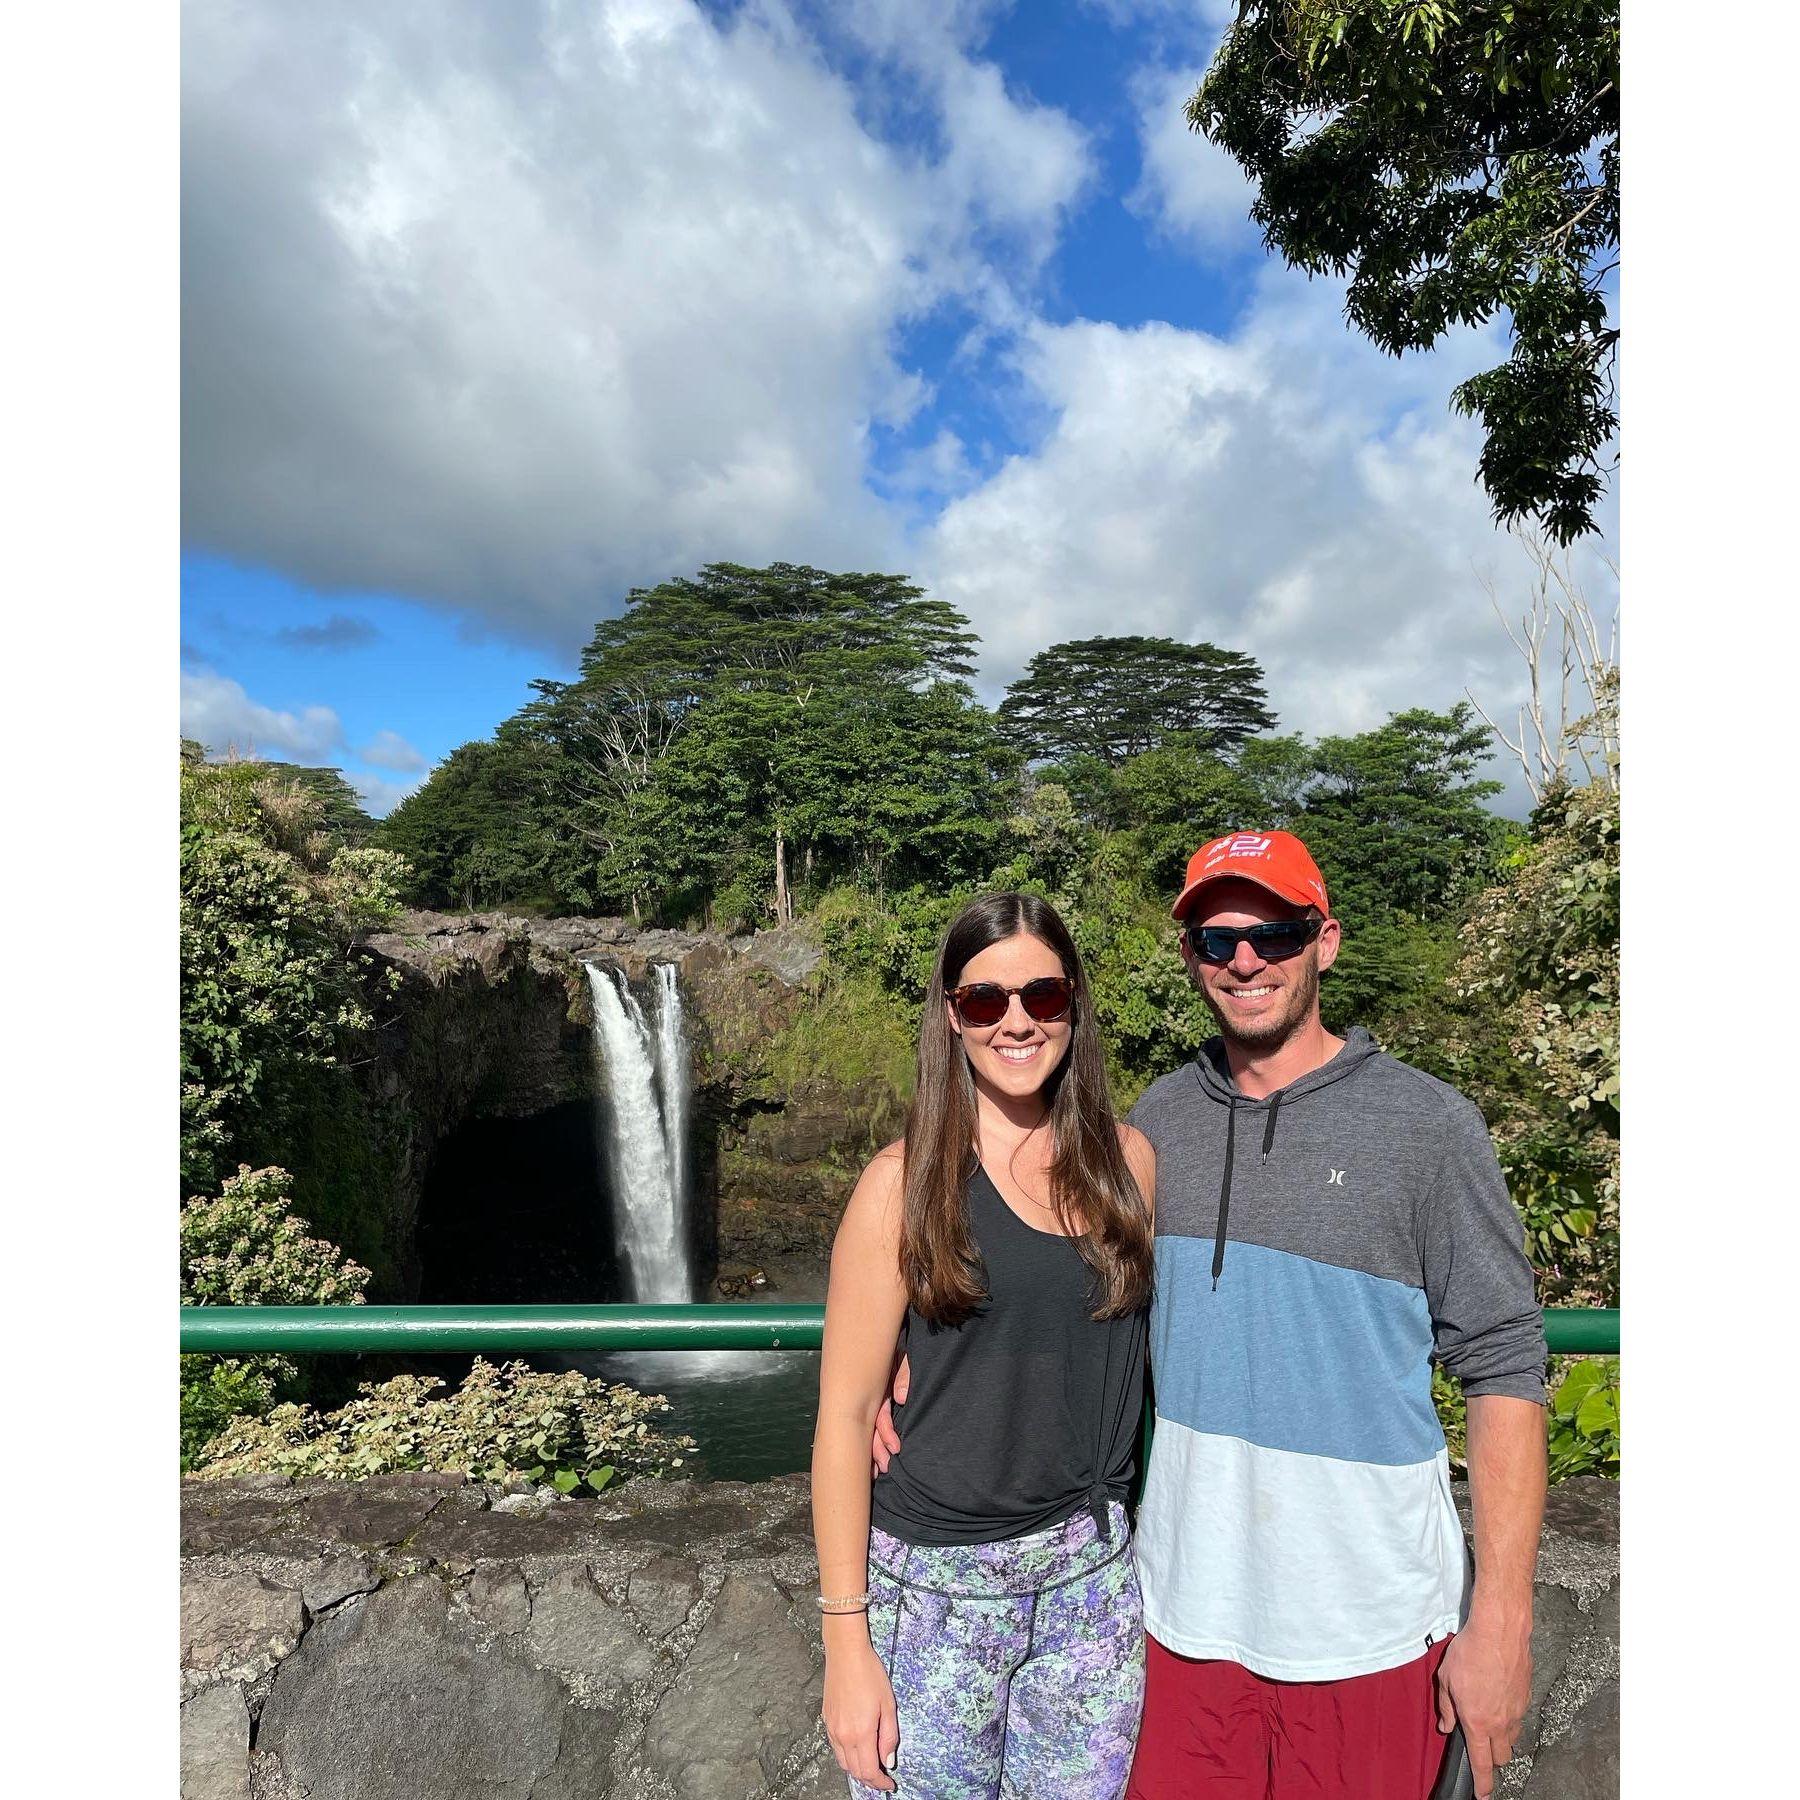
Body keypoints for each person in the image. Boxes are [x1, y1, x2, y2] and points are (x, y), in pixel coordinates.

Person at [878, 831, 1548, 1800]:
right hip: (1182, 1621)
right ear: (1190, 955)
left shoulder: (1428, 1128)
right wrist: (899, 1359)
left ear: (1325, 942)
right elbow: (1051, 1289)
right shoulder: (1153, 1131)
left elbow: (1506, 1367)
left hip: (1371, 1628)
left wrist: (1504, 1625)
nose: (1245, 960)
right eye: (1215, 938)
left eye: (1275, 934)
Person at [811, 892, 1158, 1798]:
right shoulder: (902, 1186)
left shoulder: (1129, 1166)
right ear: (951, 1016)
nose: (1017, 1021)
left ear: (1073, 1004)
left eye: (1042, 995)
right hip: (937, 1596)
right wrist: (846, 1644)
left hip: (1092, 1583)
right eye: (983, 1000)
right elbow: (844, 1418)